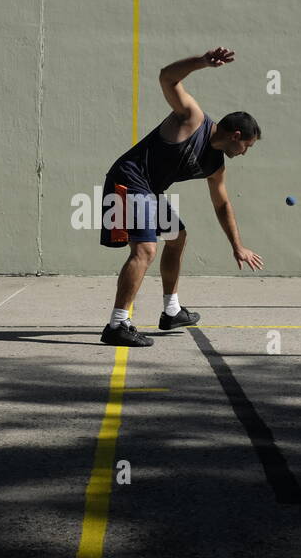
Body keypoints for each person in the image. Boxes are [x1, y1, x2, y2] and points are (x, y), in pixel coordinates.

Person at [99, 46, 264, 347]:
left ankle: (171, 311)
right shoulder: (192, 118)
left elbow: (222, 204)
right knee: (145, 250)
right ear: (236, 136)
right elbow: (167, 78)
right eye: (247, 146)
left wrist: (237, 246)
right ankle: (118, 324)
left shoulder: (216, 165)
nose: (245, 153)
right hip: (128, 178)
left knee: (177, 236)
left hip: (149, 190)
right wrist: (201, 62)